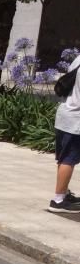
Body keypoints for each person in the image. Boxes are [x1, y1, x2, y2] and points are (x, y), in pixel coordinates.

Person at [49, 52, 80, 213]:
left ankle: (64, 193)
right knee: (69, 159)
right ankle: (58, 200)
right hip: (75, 120)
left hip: (64, 116)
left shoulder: (78, 59)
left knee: (64, 159)